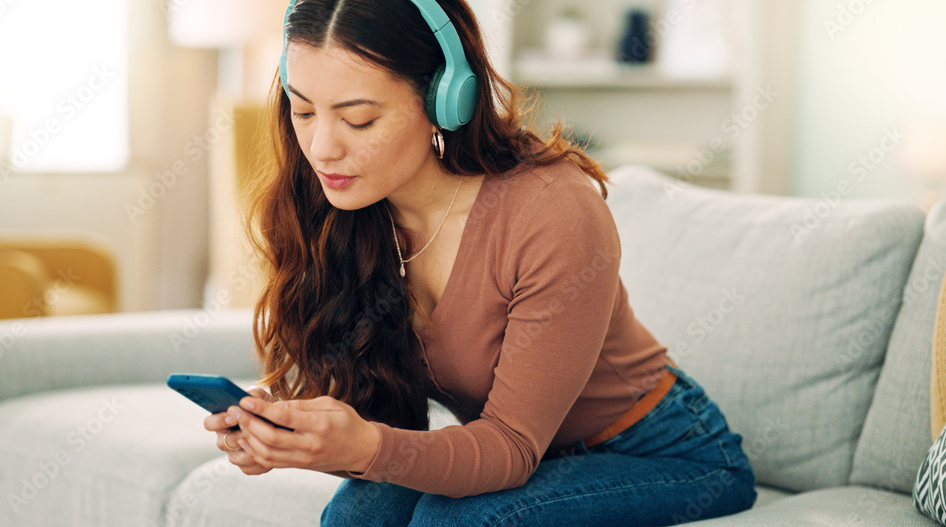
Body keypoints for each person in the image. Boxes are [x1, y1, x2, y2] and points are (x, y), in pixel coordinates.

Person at [203, 0, 758, 525]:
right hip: (531, 455)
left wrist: (365, 445)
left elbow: (511, 446)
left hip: (662, 451)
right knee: (359, 514)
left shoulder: (551, 211)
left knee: (460, 520)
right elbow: (378, 422)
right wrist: (292, 434)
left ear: (447, 98)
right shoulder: (346, 214)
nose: (321, 147)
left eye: (360, 120)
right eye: (303, 110)